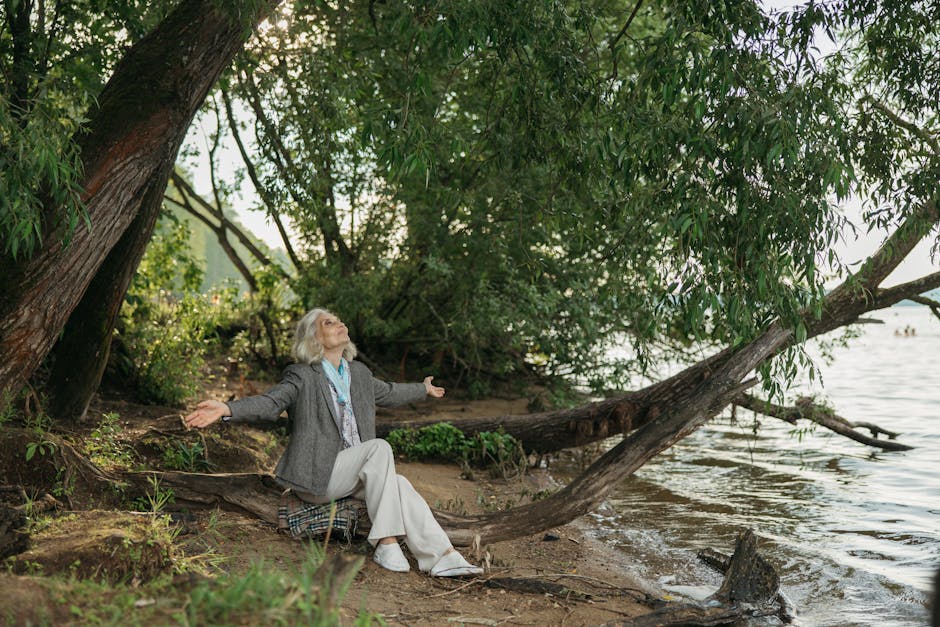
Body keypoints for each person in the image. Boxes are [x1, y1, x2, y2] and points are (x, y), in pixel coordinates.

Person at [184, 308, 483, 577]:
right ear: (314, 337)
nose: (340, 323)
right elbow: (271, 402)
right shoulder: (301, 375)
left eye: (340, 319)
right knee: (380, 448)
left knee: (400, 484)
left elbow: (389, 392)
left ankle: (441, 557)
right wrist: (227, 409)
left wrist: (422, 388)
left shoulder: (359, 373)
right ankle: (386, 541)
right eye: (329, 322)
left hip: (355, 472)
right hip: (319, 477)